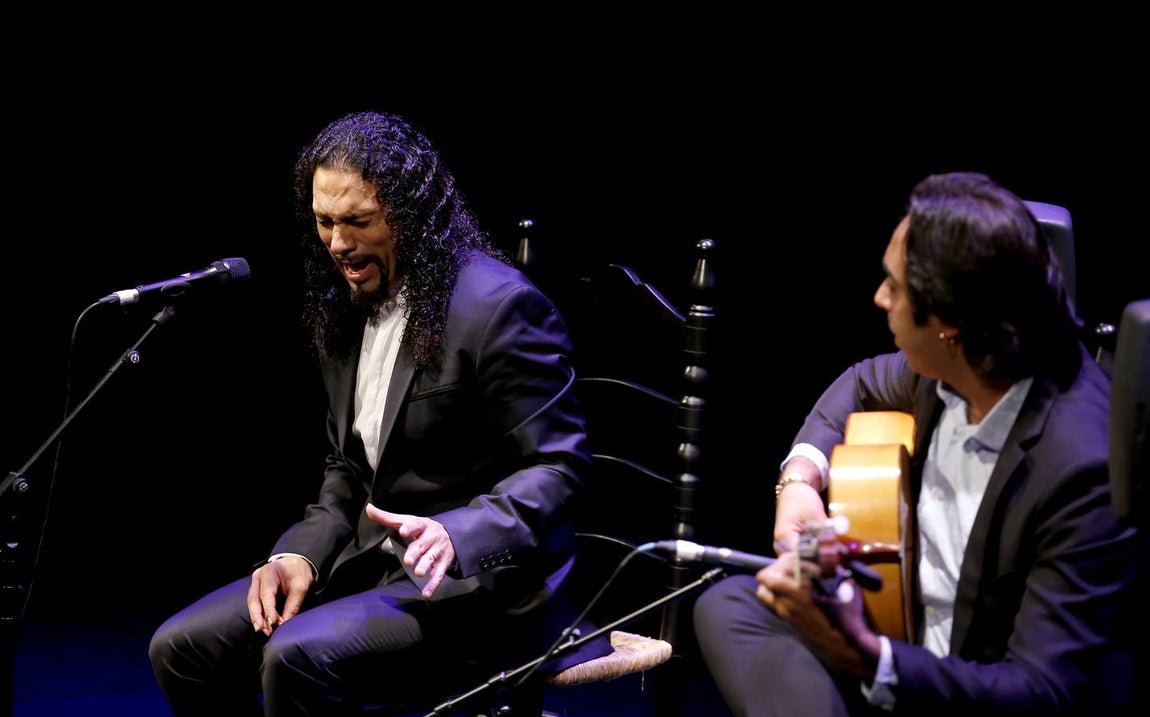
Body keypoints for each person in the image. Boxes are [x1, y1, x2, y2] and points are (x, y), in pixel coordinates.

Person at [148, 110, 610, 716]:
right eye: (324, 222)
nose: (338, 243)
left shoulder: (499, 308)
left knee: (293, 656)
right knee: (182, 647)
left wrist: (458, 532)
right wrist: (298, 555)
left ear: (410, 214)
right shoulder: (347, 303)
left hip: (485, 588)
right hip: (372, 568)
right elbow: (348, 467)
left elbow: (560, 469)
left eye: (358, 221)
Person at [693, 171, 1142, 715]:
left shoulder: (1083, 469)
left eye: (895, 286)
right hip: (900, 644)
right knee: (731, 605)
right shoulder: (955, 365)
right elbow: (859, 382)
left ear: (950, 324)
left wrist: (869, 656)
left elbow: (1042, 689)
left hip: (976, 689)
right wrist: (800, 483)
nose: (879, 297)